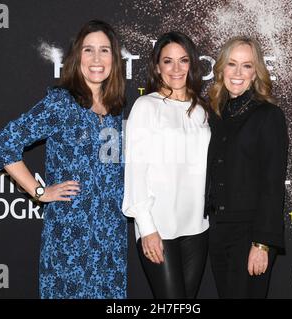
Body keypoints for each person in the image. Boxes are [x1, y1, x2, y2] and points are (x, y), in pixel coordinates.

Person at [0, 20, 127, 299]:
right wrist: (40, 192)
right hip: (70, 238)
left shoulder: (115, 108)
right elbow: (3, 144)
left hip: (111, 241)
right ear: (77, 57)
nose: (97, 59)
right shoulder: (62, 103)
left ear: (115, 58)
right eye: (89, 50)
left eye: (104, 50)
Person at [122, 31, 211, 299]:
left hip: (197, 225)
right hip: (159, 225)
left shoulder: (202, 109)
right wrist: (146, 227)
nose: (176, 69)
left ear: (192, 64)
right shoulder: (146, 106)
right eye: (168, 61)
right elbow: (135, 169)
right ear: (157, 66)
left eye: (183, 60)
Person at [206, 36, 289, 298]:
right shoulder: (216, 114)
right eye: (232, 64)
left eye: (247, 66)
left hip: (251, 233)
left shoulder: (268, 115)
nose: (238, 73)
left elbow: (272, 184)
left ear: (256, 73)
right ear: (221, 70)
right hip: (218, 230)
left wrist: (262, 244)